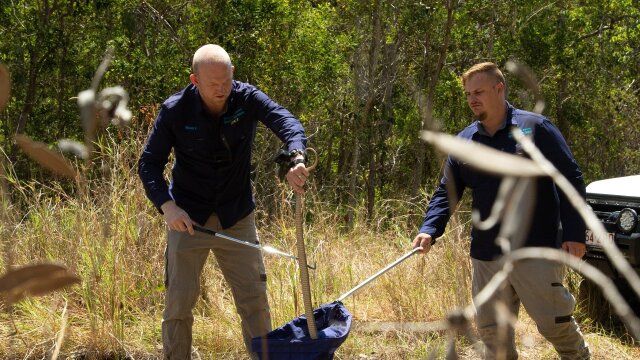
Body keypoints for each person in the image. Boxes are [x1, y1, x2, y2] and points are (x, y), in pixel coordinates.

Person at [138, 44, 309, 359]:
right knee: (178, 302)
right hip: (187, 217)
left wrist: (296, 156)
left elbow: (286, 122)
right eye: (213, 84)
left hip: (237, 215)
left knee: (254, 301)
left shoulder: (247, 98)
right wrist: (168, 206)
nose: (222, 90)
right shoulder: (175, 110)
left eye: (226, 82)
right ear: (194, 80)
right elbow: (148, 164)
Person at [413, 62, 590, 360]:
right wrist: (428, 229)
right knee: (493, 334)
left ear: (499, 89)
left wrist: (575, 233)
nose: (472, 99)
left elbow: (570, 179)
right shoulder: (466, 141)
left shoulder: (535, 129)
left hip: (536, 248)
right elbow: (447, 191)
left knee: (553, 324)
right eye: (468, 94)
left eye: (479, 91)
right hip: (487, 254)